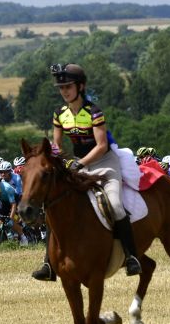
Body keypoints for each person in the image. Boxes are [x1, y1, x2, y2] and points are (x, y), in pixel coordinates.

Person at [33, 63, 142, 281]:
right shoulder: (59, 114)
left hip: (105, 163)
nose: (64, 91)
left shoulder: (94, 112)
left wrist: (79, 163)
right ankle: (49, 264)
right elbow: (57, 144)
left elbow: (101, 146)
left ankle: (132, 257)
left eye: (68, 86)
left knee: (116, 205)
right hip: (77, 164)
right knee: (55, 208)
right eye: (61, 87)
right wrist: (56, 157)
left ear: (80, 87)